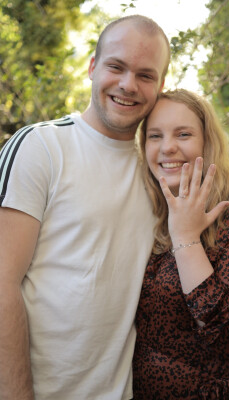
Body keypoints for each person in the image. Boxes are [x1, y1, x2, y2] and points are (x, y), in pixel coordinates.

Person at [0, 15, 170, 400]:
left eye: (145, 75)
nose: (128, 84)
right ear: (92, 67)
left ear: (160, 86)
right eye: (116, 66)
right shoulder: (40, 147)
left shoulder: (158, 172)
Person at [133, 89, 229, 399]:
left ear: (208, 142)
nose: (168, 147)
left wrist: (186, 238)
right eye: (155, 136)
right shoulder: (149, 215)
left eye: (183, 134)